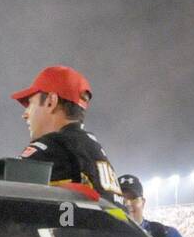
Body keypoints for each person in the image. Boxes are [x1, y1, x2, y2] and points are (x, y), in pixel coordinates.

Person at [9, 65, 123, 201]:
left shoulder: (53, 148)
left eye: (30, 104)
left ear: (51, 102)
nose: (25, 114)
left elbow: (1, 196)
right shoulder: (94, 149)